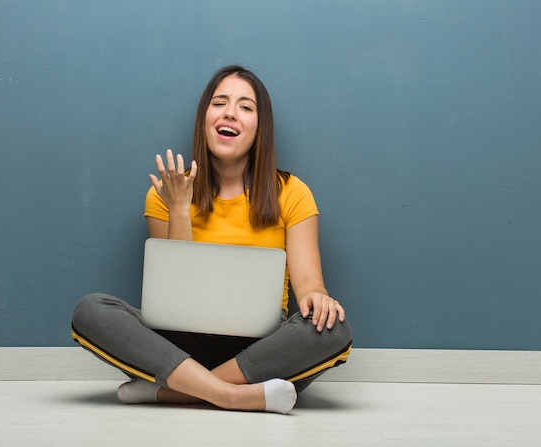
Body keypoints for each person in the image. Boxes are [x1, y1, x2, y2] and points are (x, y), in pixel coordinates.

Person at [71, 65, 352, 414]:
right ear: (205, 118)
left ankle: (176, 391)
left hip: (260, 346)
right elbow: (173, 292)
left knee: (334, 330)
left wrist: (319, 300)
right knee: (90, 311)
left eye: (246, 107)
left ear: (260, 128)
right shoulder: (164, 194)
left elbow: (310, 286)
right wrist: (179, 209)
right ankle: (232, 395)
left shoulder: (292, 193)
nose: (230, 112)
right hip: (180, 343)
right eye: (220, 103)